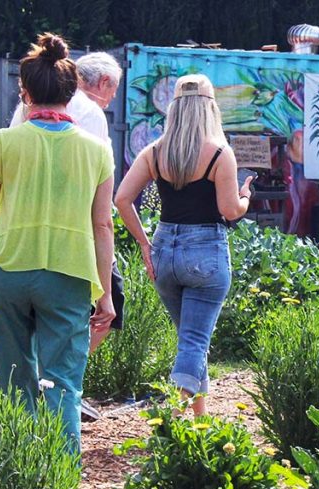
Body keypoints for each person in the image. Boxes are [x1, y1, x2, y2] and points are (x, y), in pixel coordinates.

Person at [0, 33, 116, 452]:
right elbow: (103, 226)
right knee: (63, 382)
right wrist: (105, 296)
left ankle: (19, 468)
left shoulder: (7, 141)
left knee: (14, 378)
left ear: (25, 94)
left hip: (8, 271)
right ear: (72, 91)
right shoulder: (97, 151)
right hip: (69, 274)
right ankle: (59, 482)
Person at [114, 74, 250, 416]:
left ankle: (200, 420)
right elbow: (229, 210)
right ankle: (171, 422)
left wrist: (145, 245)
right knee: (194, 341)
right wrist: (246, 197)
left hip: (164, 252)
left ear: (173, 110)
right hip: (205, 252)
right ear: (210, 110)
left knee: (189, 339)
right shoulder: (220, 154)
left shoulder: (154, 152)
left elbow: (122, 199)